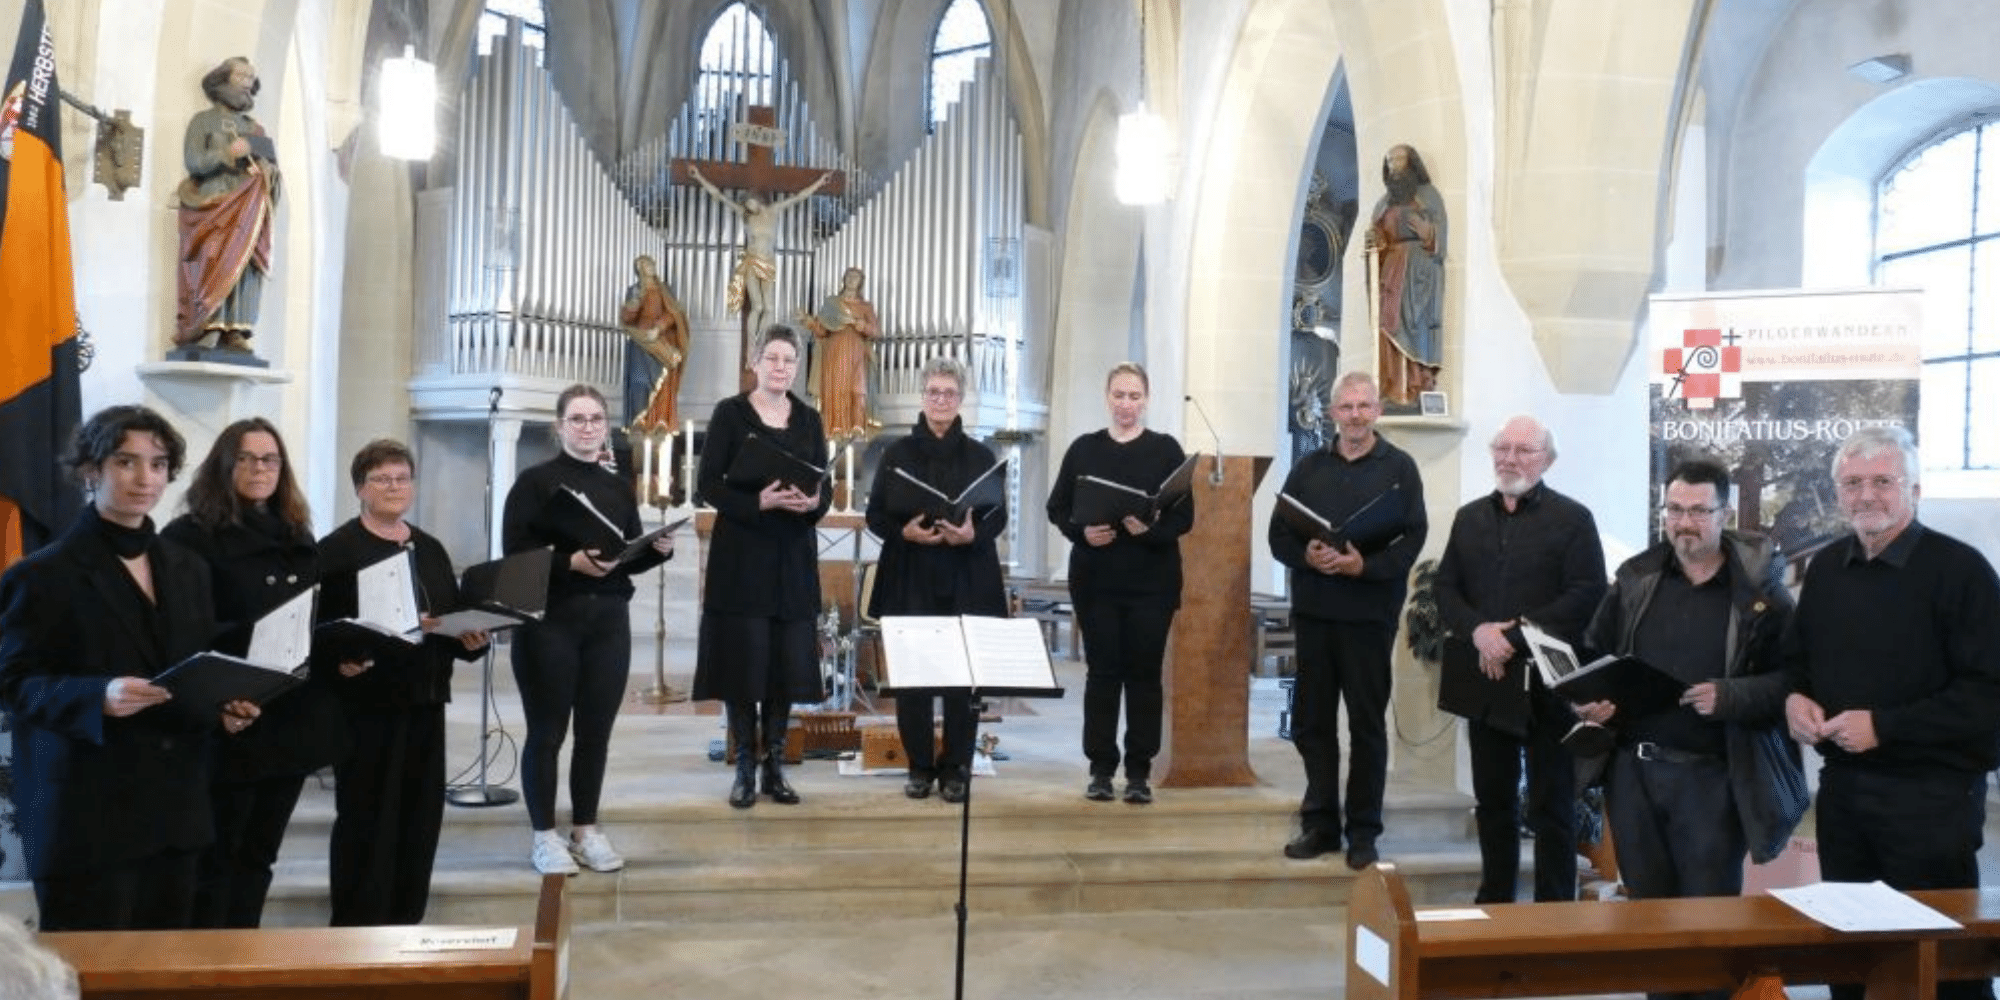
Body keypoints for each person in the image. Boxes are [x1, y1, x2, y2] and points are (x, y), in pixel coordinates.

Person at [0, 405, 258, 931]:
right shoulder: (43, 574)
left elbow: (191, 668)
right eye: (126, 462)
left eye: (159, 464)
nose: (145, 479)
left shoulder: (188, 567)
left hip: (176, 813)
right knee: (92, 979)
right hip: (87, 817)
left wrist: (224, 707)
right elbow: (14, 684)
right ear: (91, 470)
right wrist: (95, 695)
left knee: (163, 980)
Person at [1783, 426, 2000, 1000]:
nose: (1866, 495)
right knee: (1853, 958)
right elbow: (1799, 666)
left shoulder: (1963, 572)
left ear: (1915, 488)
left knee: (1943, 963)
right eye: (1852, 483)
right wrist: (1795, 700)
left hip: (1932, 801)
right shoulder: (1826, 570)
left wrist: (1884, 726)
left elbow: (1988, 698)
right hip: (1846, 798)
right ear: (1837, 494)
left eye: (1883, 481)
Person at [1574, 459, 1802, 1000]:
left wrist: (1731, 695)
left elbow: (1795, 677)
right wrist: (1592, 702)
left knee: (1707, 927)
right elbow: (1592, 656)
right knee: (1651, 926)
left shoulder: (1756, 591)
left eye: (1699, 511)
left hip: (1712, 778)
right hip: (1636, 773)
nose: (1685, 523)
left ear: (1724, 514)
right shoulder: (1637, 578)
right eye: (1675, 510)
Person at [163, 418, 350, 929]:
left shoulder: (296, 531)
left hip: (287, 717)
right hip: (228, 714)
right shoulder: (190, 536)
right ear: (224, 465)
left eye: (270, 459)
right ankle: (205, 967)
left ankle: (242, 959)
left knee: (259, 855)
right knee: (216, 856)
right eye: (245, 458)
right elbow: (183, 627)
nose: (259, 469)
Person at [502, 383, 675, 875]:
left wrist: (653, 551)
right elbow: (514, 558)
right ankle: (543, 836)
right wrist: (568, 562)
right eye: (577, 419)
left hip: (608, 623)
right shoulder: (534, 483)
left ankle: (585, 829)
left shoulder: (617, 487)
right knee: (548, 732)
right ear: (559, 427)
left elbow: (621, 559)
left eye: (596, 419)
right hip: (551, 622)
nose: (587, 428)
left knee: (595, 734)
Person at [316, 439, 490, 925]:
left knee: (419, 823)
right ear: (360, 489)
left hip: (425, 702)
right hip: (366, 708)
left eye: (402, 478)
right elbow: (316, 631)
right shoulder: (337, 551)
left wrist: (470, 640)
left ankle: (404, 925)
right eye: (382, 479)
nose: (395, 487)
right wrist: (341, 659)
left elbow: (449, 619)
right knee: (367, 822)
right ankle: (355, 930)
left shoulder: (429, 548)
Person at [1434, 415, 1606, 903]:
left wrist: (1515, 636)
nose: (1509, 458)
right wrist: (1480, 632)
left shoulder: (1573, 519)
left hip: (1548, 681)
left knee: (1552, 802)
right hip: (1487, 677)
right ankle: (1496, 897)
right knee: (1494, 799)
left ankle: (1555, 905)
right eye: (1502, 448)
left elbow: (1586, 594)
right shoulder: (1469, 518)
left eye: (1523, 450)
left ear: (1547, 460)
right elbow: (1446, 588)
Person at [1267, 372, 1427, 867]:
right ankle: (1320, 824)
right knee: (1312, 724)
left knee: (1365, 726)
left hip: (1368, 615)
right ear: (1332, 413)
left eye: (1364, 406)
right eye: (1346, 407)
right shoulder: (1309, 467)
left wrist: (1365, 566)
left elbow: (1413, 538)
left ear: (1377, 411)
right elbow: (1278, 536)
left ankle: (1363, 831)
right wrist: (1308, 554)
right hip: (1315, 613)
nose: (1355, 416)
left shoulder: (1399, 468)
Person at [692, 327, 831, 808]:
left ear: (797, 368)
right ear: (755, 362)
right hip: (743, 556)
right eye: (771, 358)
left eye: (789, 360)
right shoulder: (730, 414)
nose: (780, 367)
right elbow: (709, 484)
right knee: (743, 663)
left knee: (785, 664)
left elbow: (823, 486)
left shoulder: (810, 420)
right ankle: (745, 768)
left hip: (791, 556)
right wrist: (758, 500)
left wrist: (812, 500)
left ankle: (775, 764)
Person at [1045, 363, 1194, 805]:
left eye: (1134, 396)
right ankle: (1100, 769)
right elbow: (1057, 508)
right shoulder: (1084, 450)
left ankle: (1139, 772)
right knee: (1103, 674)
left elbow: (1185, 516)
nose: (1126, 404)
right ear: (1107, 397)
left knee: (1144, 676)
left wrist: (1149, 530)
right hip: (1097, 581)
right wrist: (1081, 531)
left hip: (1152, 581)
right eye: (1118, 395)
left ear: (1146, 399)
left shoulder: (1166, 450)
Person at [864, 355, 1008, 804]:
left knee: (962, 682)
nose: (941, 400)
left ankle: (956, 769)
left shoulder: (982, 455)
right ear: (922, 397)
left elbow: (997, 517)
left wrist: (972, 533)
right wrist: (903, 531)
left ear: (960, 398)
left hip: (967, 576)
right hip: (912, 575)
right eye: (933, 392)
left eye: (949, 392)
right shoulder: (895, 454)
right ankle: (920, 767)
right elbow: (876, 516)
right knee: (915, 682)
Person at [175, 57, 280, 353]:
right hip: (214, 205)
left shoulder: (255, 129)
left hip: (249, 208)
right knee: (212, 256)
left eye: (251, 77)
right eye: (241, 75)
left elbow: (273, 171)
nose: (247, 82)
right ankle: (206, 324)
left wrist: (269, 173)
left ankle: (236, 329)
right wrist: (228, 152)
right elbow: (194, 161)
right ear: (223, 80)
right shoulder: (203, 121)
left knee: (245, 263)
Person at [687, 164, 836, 366]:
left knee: (769, 306)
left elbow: (799, 197)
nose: (750, 208)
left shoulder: (773, 211)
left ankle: (763, 343)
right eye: (747, 206)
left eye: (751, 204)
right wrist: (699, 176)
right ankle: (751, 348)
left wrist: (819, 182)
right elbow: (719, 197)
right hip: (751, 260)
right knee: (756, 306)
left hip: (768, 261)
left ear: (758, 201)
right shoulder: (746, 216)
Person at [1364, 144, 1445, 406]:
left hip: (1417, 272)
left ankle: (1414, 386)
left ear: (1412, 165)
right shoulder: (1383, 204)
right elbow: (1377, 237)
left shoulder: (1428, 196)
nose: (1395, 168)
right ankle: (1391, 388)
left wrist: (1428, 232)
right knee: (1388, 325)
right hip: (1391, 269)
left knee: (1413, 325)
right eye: (1390, 163)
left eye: (1400, 161)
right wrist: (1374, 242)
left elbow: (1440, 238)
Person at [798, 266, 881, 439]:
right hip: (835, 350)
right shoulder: (831, 303)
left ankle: (857, 426)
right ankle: (835, 427)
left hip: (857, 351)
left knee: (858, 388)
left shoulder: (865, 307)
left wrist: (862, 325)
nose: (851, 279)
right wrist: (810, 322)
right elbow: (822, 331)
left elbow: (876, 332)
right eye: (849, 276)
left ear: (860, 283)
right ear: (843, 279)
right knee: (836, 387)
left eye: (856, 277)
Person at [621, 254, 692, 433]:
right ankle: (639, 421)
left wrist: (659, 328)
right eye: (645, 264)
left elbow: (674, 313)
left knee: (662, 381)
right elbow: (627, 319)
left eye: (651, 263)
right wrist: (633, 304)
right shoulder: (634, 290)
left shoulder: (664, 290)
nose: (650, 266)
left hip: (661, 340)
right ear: (639, 270)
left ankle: (661, 421)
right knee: (639, 381)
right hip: (640, 341)